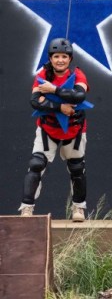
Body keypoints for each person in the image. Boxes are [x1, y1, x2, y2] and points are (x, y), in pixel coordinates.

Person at [20, 38, 89, 221]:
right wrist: (60, 107)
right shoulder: (42, 74)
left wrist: (53, 90)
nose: (60, 60)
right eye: (56, 56)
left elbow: (79, 95)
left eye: (64, 56)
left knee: (77, 168)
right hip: (47, 128)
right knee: (36, 165)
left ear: (70, 58)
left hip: (73, 130)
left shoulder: (78, 74)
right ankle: (26, 208)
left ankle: (78, 209)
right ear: (50, 58)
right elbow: (35, 101)